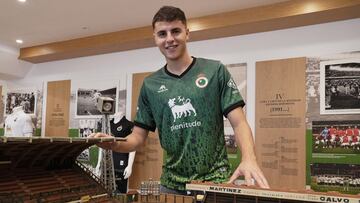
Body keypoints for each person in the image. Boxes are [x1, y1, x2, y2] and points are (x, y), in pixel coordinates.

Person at [91, 5, 269, 194]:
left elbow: (239, 123)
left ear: (187, 33)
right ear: (155, 38)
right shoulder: (150, 85)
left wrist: (249, 158)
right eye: (162, 34)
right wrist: (113, 143)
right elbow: (137, 137)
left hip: (214, 182)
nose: (169, 39)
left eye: (175, 31)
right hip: (171, 186)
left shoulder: (215, 71)